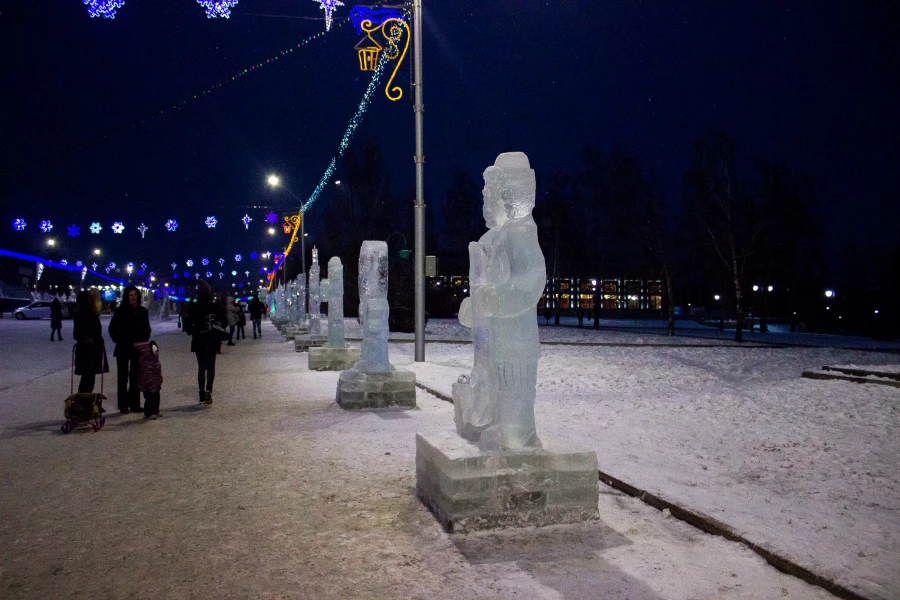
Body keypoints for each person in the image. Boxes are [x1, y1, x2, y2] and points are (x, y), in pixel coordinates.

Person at [108, 286, 151, 414]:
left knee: (135, 377)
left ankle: (135, 404)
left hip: (137, 349)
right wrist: (120, 339)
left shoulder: (142, 311)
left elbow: (146, 329)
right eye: (130, 295)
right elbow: (113, 329)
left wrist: (142, 341)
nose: (133, 297)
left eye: (135, 295)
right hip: (123, 348)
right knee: (122, 377)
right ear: (127, 297)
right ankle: (123, 405)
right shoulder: (120, 311)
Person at [183, 280, 227, 405]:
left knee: (201, 367)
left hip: (199, 339)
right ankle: (209, 389)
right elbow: (224, 321)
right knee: (211, 366)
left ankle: (201, 393)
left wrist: (193, 330)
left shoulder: (194, 306)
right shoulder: (215, 305)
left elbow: (188, 323)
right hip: (212, 338)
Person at [72, 290, 107, 393]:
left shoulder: (92, 313)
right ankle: (82, 402)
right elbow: (77, 333)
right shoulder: (81, 314)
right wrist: (86, 339)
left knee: (90, 378)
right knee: (87, 378)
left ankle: (86, 402)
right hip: (86, 350)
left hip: (94, 348)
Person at [135, 340, 163, 419]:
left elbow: (158, 370)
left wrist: (159, 378)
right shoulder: (145, 364)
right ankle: (148, 412)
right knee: (149, 398)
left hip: (155, 382)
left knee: (156, 397)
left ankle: (155, 410)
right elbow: (145, 375)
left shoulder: (156, 362)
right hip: (148, 384)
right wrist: (149, 382)